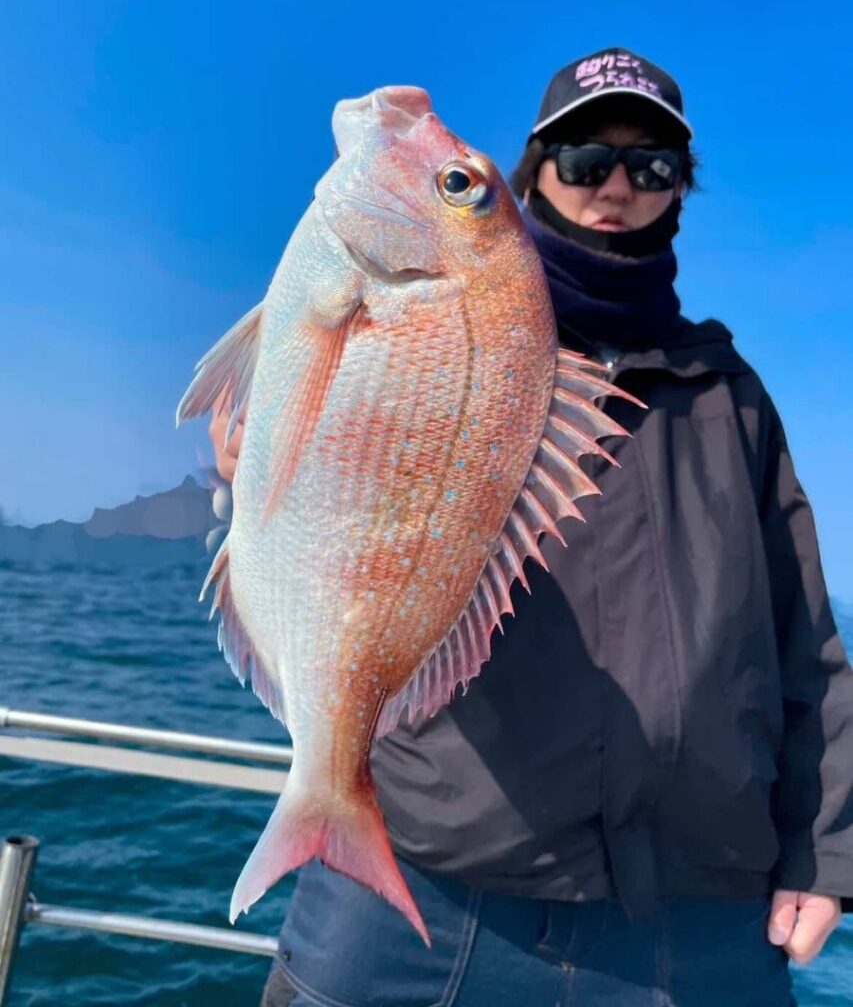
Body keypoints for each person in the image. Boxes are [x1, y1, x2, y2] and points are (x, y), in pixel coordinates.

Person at [209, 49, 853, 1006]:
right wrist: (257, 462)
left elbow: (806, 640)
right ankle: (326, 796)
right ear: (534, 175)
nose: (615, 186)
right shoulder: (456, 336)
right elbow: (317, 491)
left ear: (679, 190)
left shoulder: (729, 394)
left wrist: (827, 849)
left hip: (701, 918)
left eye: (651, 165)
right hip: (424, 889)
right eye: (585, 158)